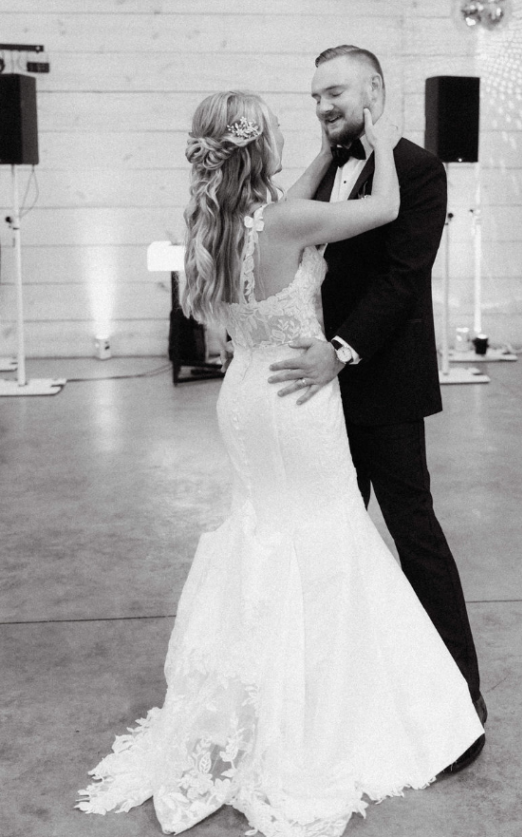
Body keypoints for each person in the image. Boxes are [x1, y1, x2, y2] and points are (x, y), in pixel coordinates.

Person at [76, 89, 483, 837]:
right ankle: (316, 712)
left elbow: (288, 209)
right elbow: (386, 207)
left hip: (246, 396)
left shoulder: (224, 223)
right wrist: (382, 137)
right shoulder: (287, 223)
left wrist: (330, 153)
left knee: (265, 529)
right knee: (326, 532)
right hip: (299, 398)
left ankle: (262, 692)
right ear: (259, 148)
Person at [269, 45, 486, 735]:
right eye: (314, 97)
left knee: (413, 532)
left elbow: (402, 278)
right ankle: (341, 692)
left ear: (375, 90)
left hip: (382, 380)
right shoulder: (325, 168)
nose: (323, 106)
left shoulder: (419, 171)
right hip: (315, 388)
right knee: (330, 535)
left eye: (334, 92)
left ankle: (462, 704)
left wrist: (339, 352)